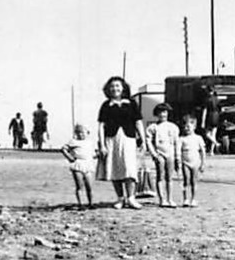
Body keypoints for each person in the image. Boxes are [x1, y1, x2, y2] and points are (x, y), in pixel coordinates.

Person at [97, 76, 143, 209]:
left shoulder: (132, 103)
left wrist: (143, 140)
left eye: (117, 86)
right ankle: (120, 198)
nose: (115, 89)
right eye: (112, 86)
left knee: (129, 169)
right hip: (111, 139)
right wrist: (102, 145)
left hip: (128, 139)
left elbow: (138, 122)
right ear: (108, 89)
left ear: (123, 88)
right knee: (115, 168)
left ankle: (131, 198)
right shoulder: (106, 105)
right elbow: (101, 126)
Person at [145, 104, 179, 208]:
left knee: (169, 177)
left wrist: (177, 156)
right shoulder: (153, 127)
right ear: (156, 114)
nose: (162, 114)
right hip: (159, 154)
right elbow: (148, 141)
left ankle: (170, 198)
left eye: (164, 112)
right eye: (160, 112)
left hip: (170, 153)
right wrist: (154, 154)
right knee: (160, 176)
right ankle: (162, 199)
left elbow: (176, 142)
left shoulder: (173, 127)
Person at [63, 124, 98, 209]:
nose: (81, 135)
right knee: (79, 185)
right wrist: (69, 157)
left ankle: (91, 203)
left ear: (87, 133)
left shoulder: (90, 142)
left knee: (89, 186)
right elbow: (63, 149)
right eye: (78, 132)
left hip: (88, 164)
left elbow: (93, 154)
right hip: (78, 163)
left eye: (83, 132)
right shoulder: (73, 141)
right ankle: (81, 204)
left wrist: (98, 155)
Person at [178, 115, 206, 208]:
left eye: (189, 126)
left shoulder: (198, 138)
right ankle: (185, 199)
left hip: (195, 162)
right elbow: (178, 150)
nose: (186, 129)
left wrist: (203, 163)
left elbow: (202, 151)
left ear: (194, 127)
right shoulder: (182, 139)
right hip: (185, 161)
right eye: (185, 127)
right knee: (186, 180)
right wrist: (178, 161)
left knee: (194, 181)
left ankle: (193, 199)